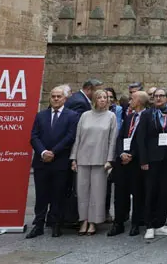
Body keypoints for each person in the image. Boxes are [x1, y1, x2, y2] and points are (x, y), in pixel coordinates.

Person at [27, 87, 79, 239]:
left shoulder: (72, 116)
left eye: (59, 97)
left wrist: (53, 152)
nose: (56, 99)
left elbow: (70, 137)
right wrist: (43, 152)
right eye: (53, 96)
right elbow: (34, 136)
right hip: (42, 162)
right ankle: (38, 224)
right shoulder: (41, 115)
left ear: (64, 99)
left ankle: (56, 224)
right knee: (41, 194)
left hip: (60, 161)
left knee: (58, 194)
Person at [69, 89, 116, 236]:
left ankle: (93, 222)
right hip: (83, 157)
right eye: (99, 97)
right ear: (94, 100)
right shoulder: (85, 115)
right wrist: (73, 158)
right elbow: (78, 137)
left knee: (97, 192)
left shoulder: (111, 116)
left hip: (100, 159)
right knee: (82, 192)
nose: (103, 100)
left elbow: (112, 140)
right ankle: (83, 220)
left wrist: (110, 159)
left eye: (104, 98)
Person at [138, 87, 167, 239]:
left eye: (162, 96)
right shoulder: (147, 115)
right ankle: (149, 224)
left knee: (165, 191)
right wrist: (143, 160)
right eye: (156, 96)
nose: (159, 98)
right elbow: (141, 139)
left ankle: (160, 223)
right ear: (153, 99)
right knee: (150, 191)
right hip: (151, 159)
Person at [110, 91, 149, 237]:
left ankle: (136, 223)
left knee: (138, 193)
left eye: (132, 98)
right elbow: (120, 137)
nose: (130, 101)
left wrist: (132, 154)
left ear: (139, 101)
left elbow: (145, 141)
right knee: (120, 193)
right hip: (122, 161)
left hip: (137, 162)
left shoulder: (148, 117)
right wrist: (121, 153)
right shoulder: (129, 117)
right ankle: (118, 223)